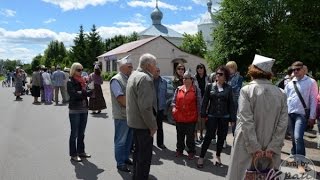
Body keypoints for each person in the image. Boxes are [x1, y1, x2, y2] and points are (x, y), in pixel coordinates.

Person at [227, 54, 288, 179]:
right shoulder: (281, 93)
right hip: (270, 149)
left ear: (252, 70)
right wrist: (273, 147)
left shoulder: (246, 90)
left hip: (246, 145)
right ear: (269, 72)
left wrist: (255, 148)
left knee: (243, 176)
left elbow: (246, 120)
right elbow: (283, 124)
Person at [127, 53, 158, 180]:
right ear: (149, 65)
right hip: (143, 124)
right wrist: (152, 126)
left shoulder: (134, 75)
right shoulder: (145, 78)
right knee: (144, 157)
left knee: (138, 154)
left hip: (135, 123)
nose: (156, 68)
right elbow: (145, 107)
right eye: (155, 65)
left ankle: (136, 176)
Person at [197, 65, 235, 168]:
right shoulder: (210, 86)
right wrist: (203, 113)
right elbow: (205, 101)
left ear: (225, 76)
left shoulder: (229, 88)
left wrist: (232, 119)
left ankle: (218, 156)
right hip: (212, 115)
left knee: (221, 137)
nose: (218, 75)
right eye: (217, 73)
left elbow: (231, 104)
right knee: (208, 136)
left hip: (224, 116)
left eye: (220, 74)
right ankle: (201, 156)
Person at [284, 61, 318, 173]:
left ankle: (301, 163)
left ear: (304, 70)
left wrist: (312, 116)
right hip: (290, 113)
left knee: (298, 137)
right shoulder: (290, 82)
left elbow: (313, 100)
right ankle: (294, 154)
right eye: (294, 70)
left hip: (302, 114)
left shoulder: (311, 82)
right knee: (294, 138)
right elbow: (285, 99)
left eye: (298, 69)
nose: (295, 71)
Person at [110, 55, 134, 172]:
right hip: (122, 116)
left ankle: (125, 158)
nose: (132, 68)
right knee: (121, 141)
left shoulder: (128, 78)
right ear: (123, 67)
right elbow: (120, 99)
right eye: (129, 66)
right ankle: (120, 163)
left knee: (128, 140)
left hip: (129, 115)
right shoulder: (116, 80)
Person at [172, 68, 201, 160]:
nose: (184, 80)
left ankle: (191, 151)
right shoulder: (178, 89)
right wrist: (173, 108)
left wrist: (199, 115)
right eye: (183, 78)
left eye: (186, 78)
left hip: (191, 117)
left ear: (191, 80)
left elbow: (199, 103)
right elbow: (173, 101)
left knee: (190, 137)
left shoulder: (196, 90)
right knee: (179, 135)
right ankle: (179, 150)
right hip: (179, 117)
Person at [67, 62, 92, 162]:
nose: (81, 72)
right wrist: (85, 92)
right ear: (73, 70)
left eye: (82, 69)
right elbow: (74, 95)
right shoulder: (70, 81)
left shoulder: (84, 81)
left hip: (84, 109)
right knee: (74, 133)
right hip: (75, 110)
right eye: (78, 70)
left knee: (82, 133)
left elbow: (90, 91)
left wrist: (85, 92)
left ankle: (81, 151)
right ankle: (73, 154)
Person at [226, 61, 243, 143]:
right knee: (224, 120)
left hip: (235, 101)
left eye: (230, 67)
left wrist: (228, 88)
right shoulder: (225, 76)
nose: (229, 69)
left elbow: (237, 88)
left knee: (234, 120)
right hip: (225, 100)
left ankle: (235, 138)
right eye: (228, 67)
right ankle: (223, 140)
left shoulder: (239, 77)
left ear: (234, 68)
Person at [194, 63, 209, 144]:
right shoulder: (194, 78)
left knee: (203, 118)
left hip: (205, 100)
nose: (200, 69)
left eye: (201, 67)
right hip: (196, 101)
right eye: (198, 68)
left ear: (204, 69)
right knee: (196, 119)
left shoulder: (207, 78)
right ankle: (195, 135)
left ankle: (201, 135)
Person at [153, 67, 167, 149]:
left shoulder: (164, 82)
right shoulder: (148, 81)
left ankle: (160, 143)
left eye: (158, 71)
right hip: (151, 108)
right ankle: (149, 143)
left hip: (160, 108)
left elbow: (165, 95)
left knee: (160, 127)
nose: (157, 72)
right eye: (155, 71)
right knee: (150, 126)